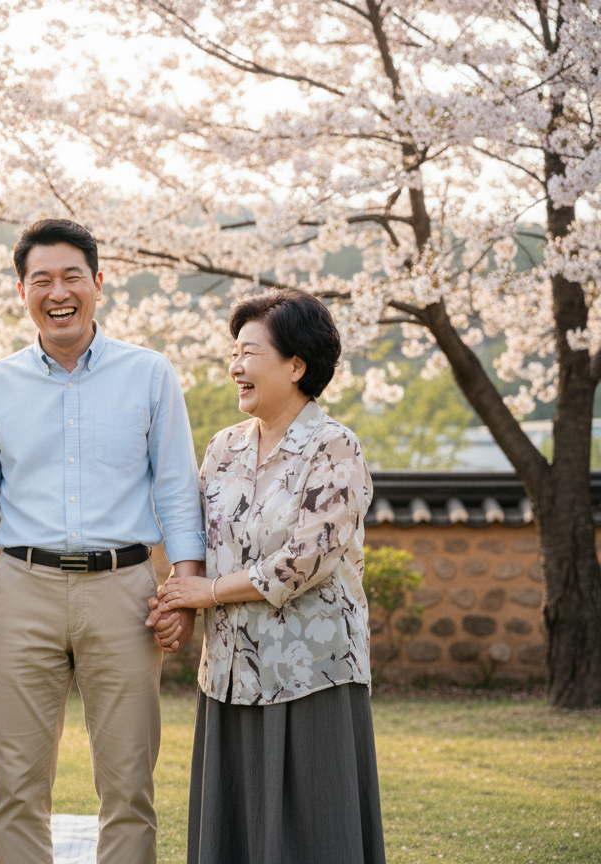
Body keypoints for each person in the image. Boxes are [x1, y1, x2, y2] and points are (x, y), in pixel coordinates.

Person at [0, 218, 205, 864]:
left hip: (125, 591)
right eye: (42, 280)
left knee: (127, 785)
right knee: (18, 785)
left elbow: (177, 489)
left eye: (71, 277)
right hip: (21, 590)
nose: (57, 292)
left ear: (98, 283)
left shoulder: (149, 375)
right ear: (21, 290)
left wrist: (186, 590)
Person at [153, 288, 387, 864]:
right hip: (228, 672)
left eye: (249, 352)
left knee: (314, 834)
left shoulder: (335, 447)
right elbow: (196, 540)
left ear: (296, 365)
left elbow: (304, 561)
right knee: (233, 832)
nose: (235, 366)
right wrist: (179, 599)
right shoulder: (223, 448)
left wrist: (205, 593)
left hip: (311, 671)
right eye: (233, 353)